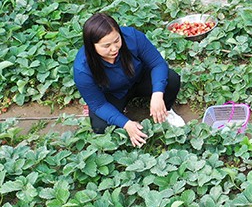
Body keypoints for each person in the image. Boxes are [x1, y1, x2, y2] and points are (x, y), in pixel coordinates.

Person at [73, 12, 184, 147]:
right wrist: (126, 124)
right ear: (92, 46)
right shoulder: (82, 68)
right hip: (112, 93)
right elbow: (99, 104)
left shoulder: (132, 37)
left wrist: (157, 94)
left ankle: (165, 111)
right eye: (106, 46)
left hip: (139, 79)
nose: (114, 48)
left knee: (171, 80)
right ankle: (121, 115)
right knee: (100, 128)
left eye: (116, 40)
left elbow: (157, 64)